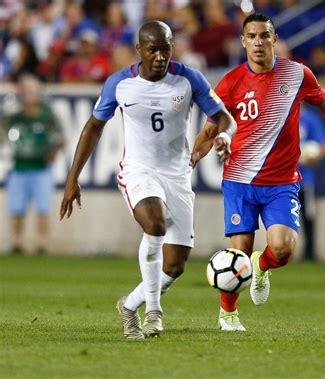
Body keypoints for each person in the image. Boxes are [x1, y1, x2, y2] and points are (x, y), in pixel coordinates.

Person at [191, 13, 325, 331]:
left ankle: (262, 266)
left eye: (264, 36)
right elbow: (209, 130)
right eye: (252, 37)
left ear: (274, 39)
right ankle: (228, 315)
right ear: (243, 41)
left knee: (283, 249)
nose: (258, 42)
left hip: (282, 182)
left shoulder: (297, 74)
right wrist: (192, 158)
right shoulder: (231, 82)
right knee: (239, 253)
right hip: (239, 180)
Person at [59, 21, 236, 339]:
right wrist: (73, 178)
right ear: (139, 49)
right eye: (153, 49)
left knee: (175, 266)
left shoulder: (188, 78)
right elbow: (93, 127)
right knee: (156, 224)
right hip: (138, 171)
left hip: (178, 175)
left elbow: (224, 117)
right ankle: (153, 312)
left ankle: (129, 305)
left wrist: (223, 134)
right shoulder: (119, 83)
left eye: (165, 48)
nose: (159, 56)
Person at [2, 75, 63, 255]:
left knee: (43, 208)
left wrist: (52, 152)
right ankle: (16, 242)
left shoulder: (47, 114)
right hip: (19, 166)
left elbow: (59, 137)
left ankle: (42, 243)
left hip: (41, 168)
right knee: (16, 208)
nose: (30, 95)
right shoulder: (14, 115)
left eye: (32, 91)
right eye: (26, 91)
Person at [298, 106, 325, 261]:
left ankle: (309, 251)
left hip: (305, 178)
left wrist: (317, 156)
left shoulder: (311, 119)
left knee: (308, 215)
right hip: (281, 177)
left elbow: (323, 144)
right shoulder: (279, 113)